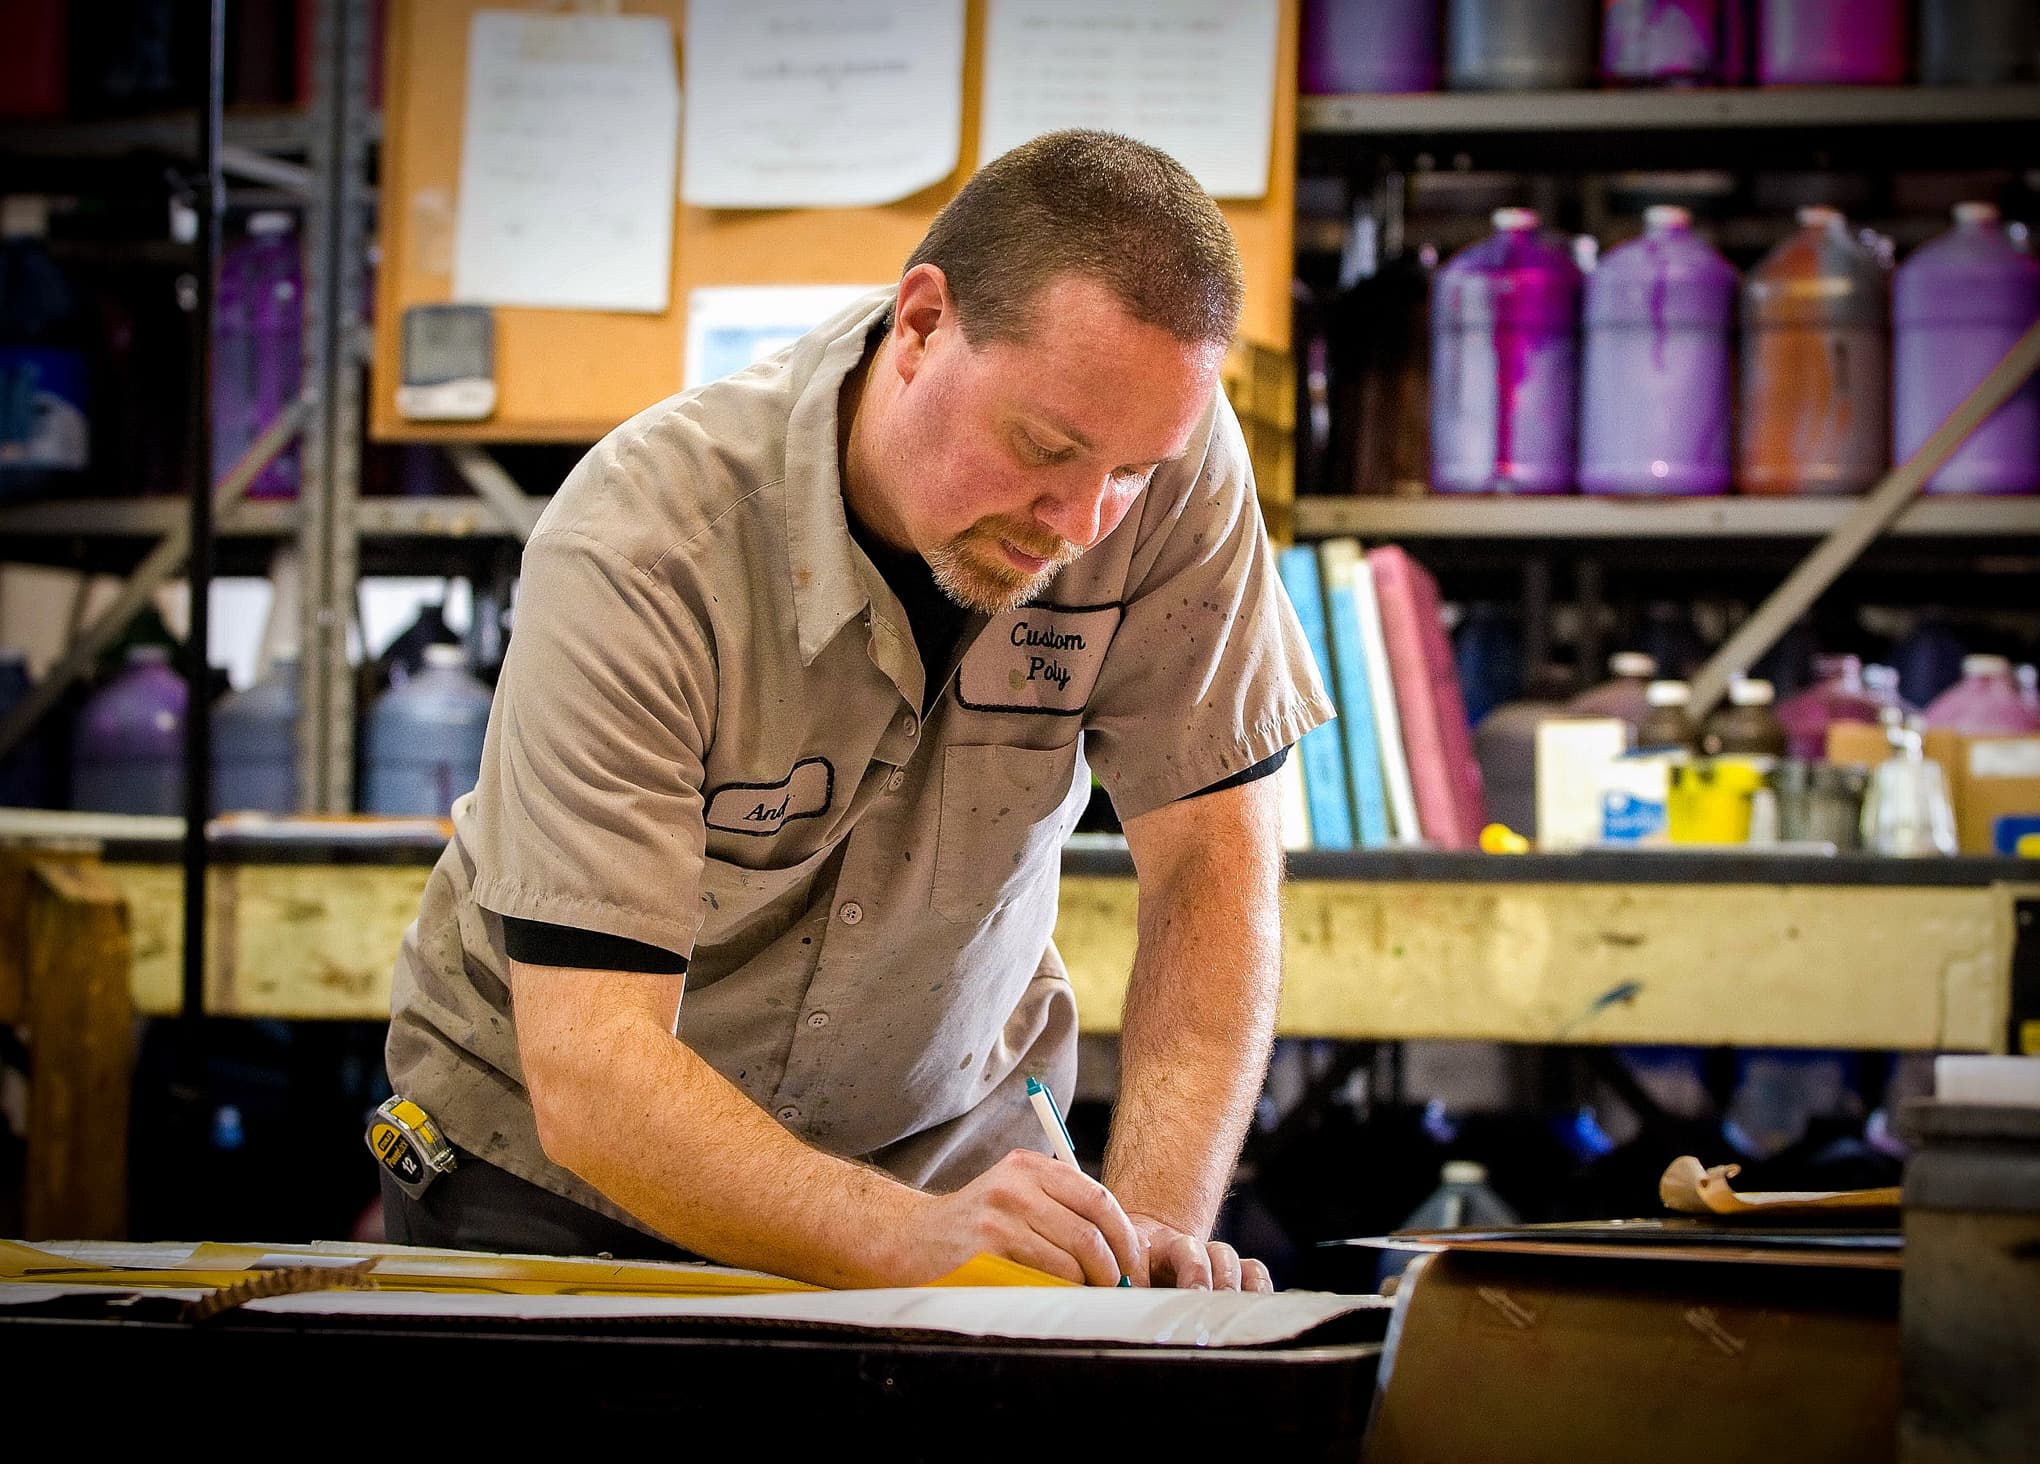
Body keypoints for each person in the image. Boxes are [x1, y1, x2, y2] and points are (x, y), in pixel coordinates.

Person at [381, 130, 1333, 1292]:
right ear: (923, 324)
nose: (1086, 522)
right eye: (1045, 448)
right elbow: (591, 1072)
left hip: (944, 1158)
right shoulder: (644, 543)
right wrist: (895, 1239)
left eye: (1132, 473)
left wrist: (1152, 1241)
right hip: (560, 1178)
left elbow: (1211, 871)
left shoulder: (1160, 467)